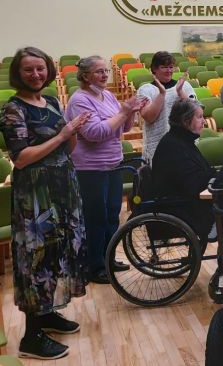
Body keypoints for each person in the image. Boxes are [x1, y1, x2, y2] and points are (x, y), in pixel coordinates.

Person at [0, 47, 90, 359]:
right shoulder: (13, 109)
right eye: (28, 69)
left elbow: (68, 147)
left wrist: (73, 132)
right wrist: (63, 134)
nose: (36, 74)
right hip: (35, 195)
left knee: (56, 254)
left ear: (48, 70)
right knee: (35, 259)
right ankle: (31, 337)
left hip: (62, 187)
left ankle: (47, 314)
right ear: (18, 73)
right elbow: (21, 158)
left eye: (40, 68)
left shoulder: (51, 101)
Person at [65, 56, 145, 284]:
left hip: (112, 164)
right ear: (85, 76)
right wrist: (122, 113)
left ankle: (108, 258)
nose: (104, 75)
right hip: (90, 169)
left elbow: (123, 128)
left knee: (112, 215)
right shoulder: (79, 100)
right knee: (96, 218)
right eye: (99, 71)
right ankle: (95, 266)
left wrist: (131, 112)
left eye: (105, 71)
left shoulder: (107, 95)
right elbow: (95, 133)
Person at [152, 98, 217, 244]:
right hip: (178, 206)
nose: (204, 121)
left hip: (183, 199)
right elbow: (192, 182)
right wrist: (215, 177)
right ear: (186, 121)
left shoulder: (181, 140)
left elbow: (199, 172)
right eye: (199, 117)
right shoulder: (174, 145)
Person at [136, 51, 196, 163]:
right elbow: (149, 117)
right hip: (157, 144)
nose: (169, 70)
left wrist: (180, 92)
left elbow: (194, 113)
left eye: (171, 67)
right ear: (154, 69)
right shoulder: (145, 90)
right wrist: (162, 94)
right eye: (164, 67)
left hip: (183, 142)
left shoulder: (184, 86)